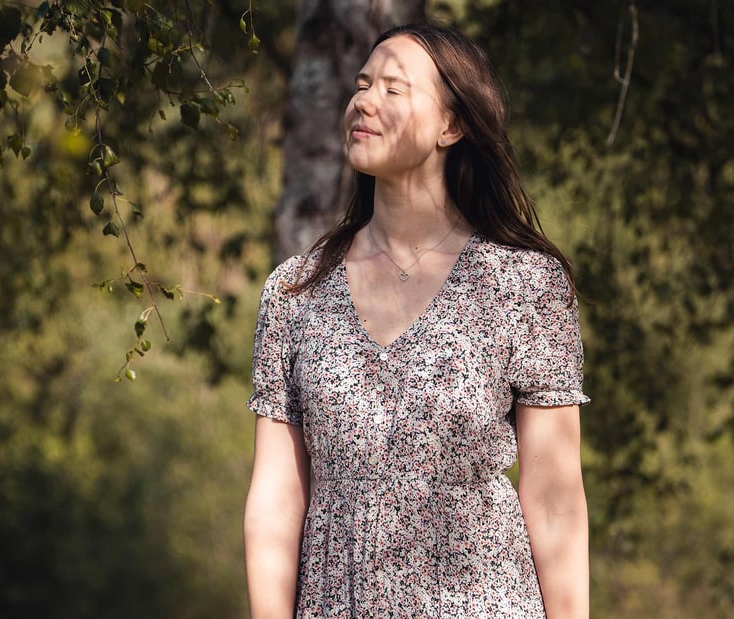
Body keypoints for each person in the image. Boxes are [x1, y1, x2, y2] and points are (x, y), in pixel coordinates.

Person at [244, 22, 590, 619]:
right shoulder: (295, 292)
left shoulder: (523, 286)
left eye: (393, 89)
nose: (364, 101)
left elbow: (555, 502)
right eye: (362, 83)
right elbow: (275, 501)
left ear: (451, 126)